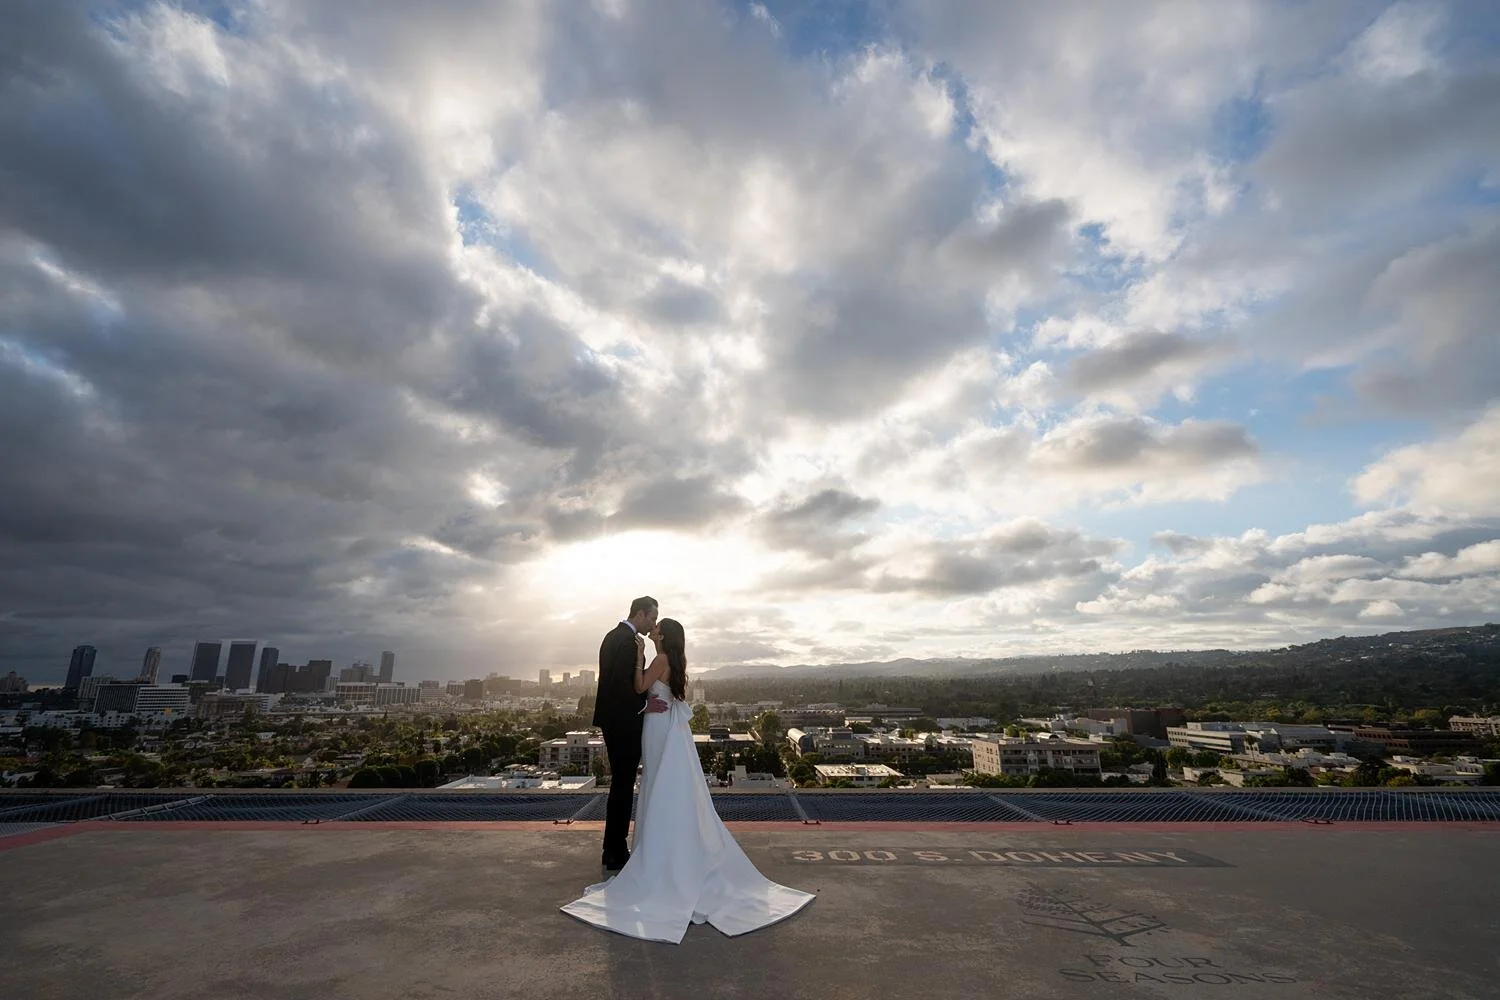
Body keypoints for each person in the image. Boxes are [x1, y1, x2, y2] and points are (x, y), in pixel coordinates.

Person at [562, 617, 816, 943]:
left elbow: (640, 687)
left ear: (663, 635)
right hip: (667, 726)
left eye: (656, 629)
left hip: (656, 727)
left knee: (654, 785)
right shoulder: (677, 660)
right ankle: (670, 848)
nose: (652, 630)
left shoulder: (660, 659)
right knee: (664, 785)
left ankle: (657, 853)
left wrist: (639, 656)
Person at [591, 596, 670, 873]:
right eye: (652, 617)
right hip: (624, 723)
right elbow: (620, 685)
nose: (654, 623)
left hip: (614, 721)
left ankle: (611, 848)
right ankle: (615, 851)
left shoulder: (613, 636)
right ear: (640, 614)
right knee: (623, 786)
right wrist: (646, 705)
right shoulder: (628, 641)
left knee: (620, 785)